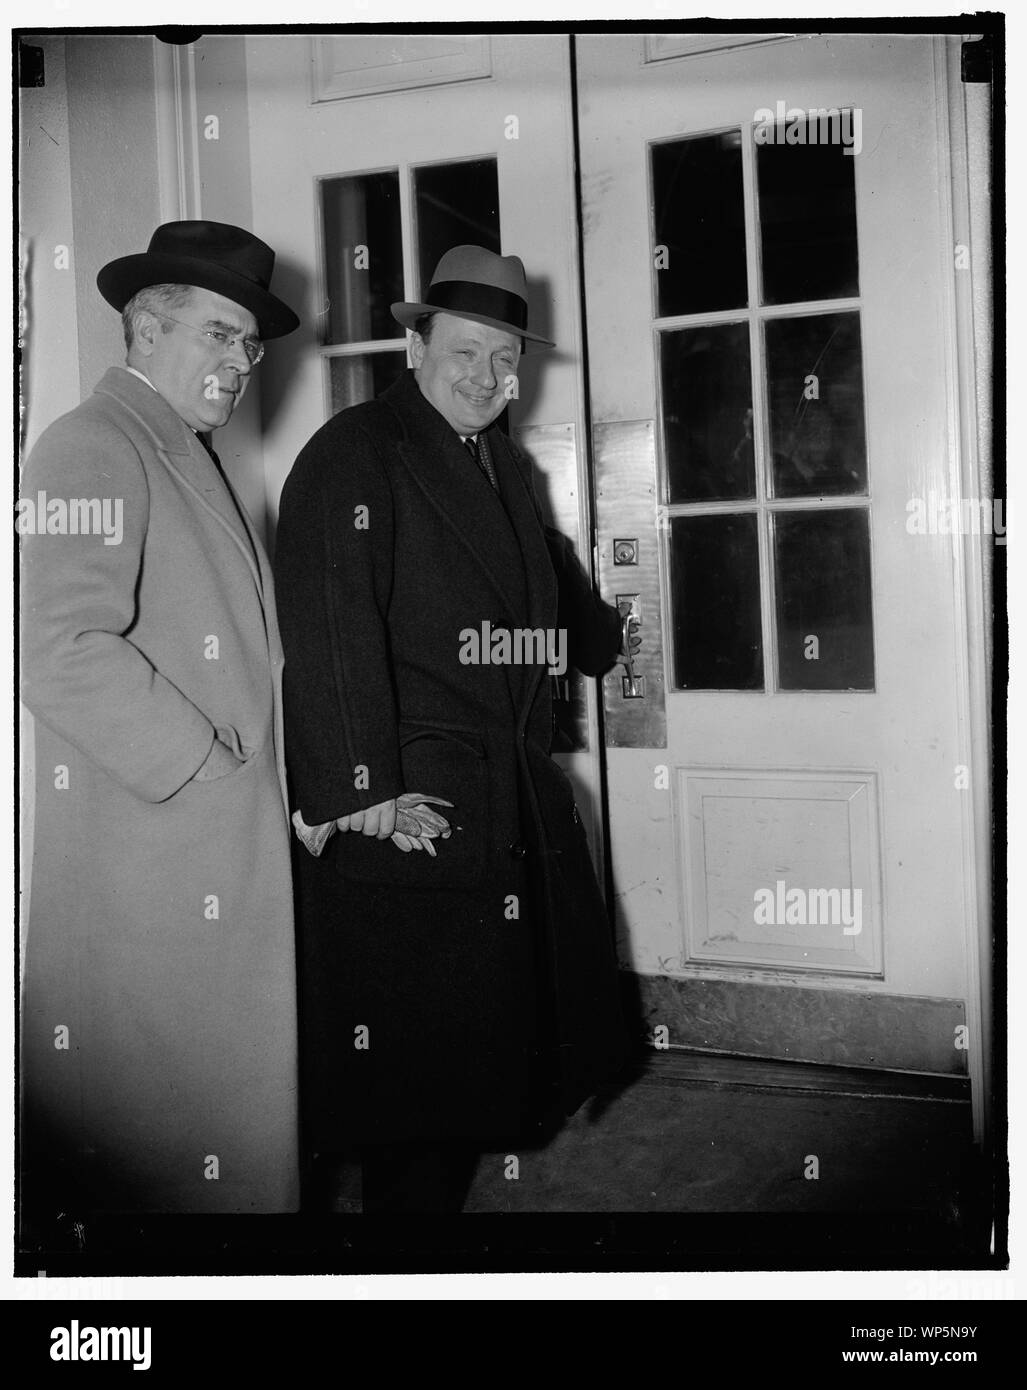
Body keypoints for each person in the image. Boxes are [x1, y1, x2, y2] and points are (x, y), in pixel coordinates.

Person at [275, 244, 634, 1213]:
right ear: (417, 339)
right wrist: (363, 792)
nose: (487, 376)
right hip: (414, 814)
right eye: (467, 350)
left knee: (466, 1084)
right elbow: (327, 625)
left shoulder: (501, 466)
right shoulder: (356, 449)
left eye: (505, 358)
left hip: (497, 811)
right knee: (414, 1099)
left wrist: (595, 626)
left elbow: (562, 613)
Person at [19, 221, 302, 1223]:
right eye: (218, 336)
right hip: (156, 866)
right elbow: (54, 649)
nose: (240, 363)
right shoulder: (88, 443)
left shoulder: (179, 445)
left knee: (205, 1146)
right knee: (163, 1152)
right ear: (144, 328)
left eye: (248, 344)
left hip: (210, 857)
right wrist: (206, 767)